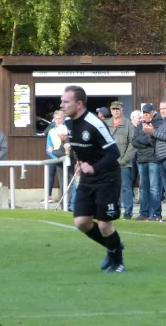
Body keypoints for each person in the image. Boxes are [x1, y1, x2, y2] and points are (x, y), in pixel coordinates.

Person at [60, 85, 126, 273]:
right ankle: (114, 246)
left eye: (66, 101)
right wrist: (81, 164)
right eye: (62, 101)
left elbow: (114, 152)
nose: (61, 105)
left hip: (107, 177)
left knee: (105, 223)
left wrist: (94, 167)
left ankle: (117, 262)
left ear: (79, 104)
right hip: (88, 178)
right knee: (81, 222)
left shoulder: (94, 123)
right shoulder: (69, 123)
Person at [143, 100, 166, 222]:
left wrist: (153, 132)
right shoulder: (163, 123)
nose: (162, 110)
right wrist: (151, 134)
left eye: (165, 108)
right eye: (161, 108)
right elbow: (156, 142)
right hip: (162, 158)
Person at [104, 101, 136, 220]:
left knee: (126, 188)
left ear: (122, 110)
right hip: (108, 164)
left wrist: (124, 160)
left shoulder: (128, 124)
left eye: (118, 109)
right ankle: (113, 211)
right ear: (111, 110)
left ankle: (128, 211)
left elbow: (133, 144)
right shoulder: (106, 124)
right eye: (113, 109)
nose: (116, 111)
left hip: (123, 163)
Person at [132, 103, 163, 221]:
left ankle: (156, 213)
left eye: (146, 114)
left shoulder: (158, 123)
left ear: (153, 112)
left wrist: (144, 139)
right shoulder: (140, 125)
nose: (144, 117)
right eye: (143, 114)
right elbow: (134, 141)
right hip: (141, 159)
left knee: (154, 187)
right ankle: (143, 213)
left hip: (154, 159)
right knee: (143, 188)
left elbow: (153, 140)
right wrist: (146, 138)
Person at [44, 110, 66, 203]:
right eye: (56, 119)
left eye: (59, 119)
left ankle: (65, 199)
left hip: (64, 157)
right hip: (54, 157)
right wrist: (54, 156)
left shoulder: (66, 129)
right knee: (50, 176)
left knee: (64, 179)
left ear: (63, 119)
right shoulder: (51, 131)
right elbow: (48, 147)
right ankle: (48, 196)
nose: (57, 120)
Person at [129, 110, 143, 202]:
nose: (141, 120)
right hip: (131, 156)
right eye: (139, 118)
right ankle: (129, 197)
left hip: (140, 155)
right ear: (132, 118)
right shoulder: (129, 128)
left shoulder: (141, 128)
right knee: (132, 177)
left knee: (140, 177)